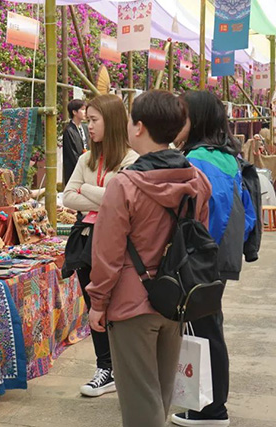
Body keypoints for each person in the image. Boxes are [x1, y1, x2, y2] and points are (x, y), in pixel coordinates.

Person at [88, 90, 212, 427]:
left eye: (130, 120)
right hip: (175, 297)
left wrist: (98, 301)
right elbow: (198, 240)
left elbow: (108, 252)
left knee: (141, 402)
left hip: (131, 304)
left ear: (139, 127)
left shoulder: (125, 185)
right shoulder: (196, 180)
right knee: (161, 393)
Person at [171, 91, 258, 427]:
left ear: (197, 121)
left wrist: (197, 249)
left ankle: (210, 410)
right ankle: (210, 405)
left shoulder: (196, 161)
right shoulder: (225, 156)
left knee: (201, 332)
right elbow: (246, 215)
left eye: (182, 117)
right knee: (210, 328)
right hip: (216, 259)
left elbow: (197, 216)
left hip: (198, 260)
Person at [62, 94, 138, 397]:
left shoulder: (132, 160)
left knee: (119, 305)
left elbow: (119, 200)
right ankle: (105, 367)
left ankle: (123, 366)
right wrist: (104, 194)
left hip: (117, 241)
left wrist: (88, 189)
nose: (88, 126)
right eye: (88, 119)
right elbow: (68, 197)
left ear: (113, 121)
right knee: (94, 305)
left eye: (94, 120)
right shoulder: (85, 158)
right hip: (85, 240)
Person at [61, 99, 89, 185]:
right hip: (74, 170)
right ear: (74, 112)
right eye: (83, 109)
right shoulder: (69, 130)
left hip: (87, 165)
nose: (85, 112)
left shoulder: (85, 127)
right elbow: (73, 154)